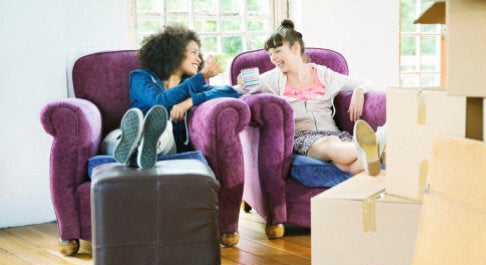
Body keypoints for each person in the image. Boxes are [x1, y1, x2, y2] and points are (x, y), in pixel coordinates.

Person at [238, 19, 385, 176]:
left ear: (295, 48)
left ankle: (376, 151)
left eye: (278, 51)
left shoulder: (324, 74)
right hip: (304, 137)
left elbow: (370, 83)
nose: (273, 58)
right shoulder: (273, 78)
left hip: (335, 133)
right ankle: (381, 143)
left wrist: (359, 90)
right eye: (270, 53)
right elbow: (235, 90)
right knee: (331, 144)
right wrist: (242, 84)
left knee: (348, 166)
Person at [102, 24, 240, 168]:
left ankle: (144, 148)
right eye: (194, 52)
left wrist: (190, 101)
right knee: (113, 138)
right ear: (174, 52)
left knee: (165, 129)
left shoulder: (190, 86)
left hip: (166, 143)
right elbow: (159, 101)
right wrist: (202, 76)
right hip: (130, 131)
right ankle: (132, 148)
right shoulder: (141, 77)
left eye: (199, 54)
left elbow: (229, 91)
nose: (199, 59)